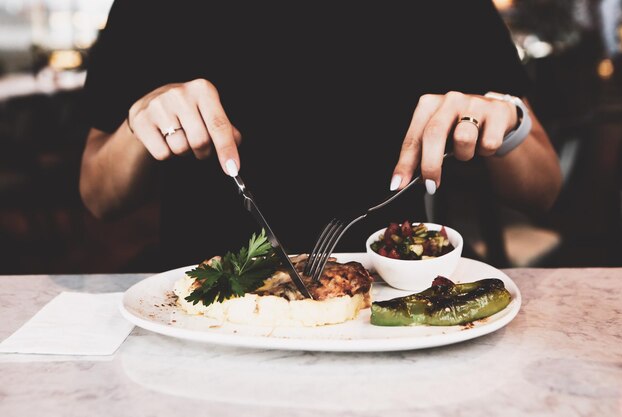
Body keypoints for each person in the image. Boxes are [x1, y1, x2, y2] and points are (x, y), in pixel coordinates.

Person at [79, 0, 562, 270]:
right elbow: (99, 195)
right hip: (205, 305)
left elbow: (544, 187)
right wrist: (142, 119)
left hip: (391, 303)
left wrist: (506, 120)